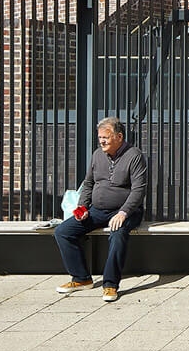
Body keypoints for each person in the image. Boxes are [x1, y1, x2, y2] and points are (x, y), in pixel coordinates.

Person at [54, 117, 148, 302]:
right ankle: (81, 278)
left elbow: (139, 189)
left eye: (106, 137)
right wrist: (82, 206)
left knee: (118, 233)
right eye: (100, 138)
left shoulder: (134, 156)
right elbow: (88, 183)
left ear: (119, 137)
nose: (102, 141)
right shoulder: (98, 155)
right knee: (63, 231)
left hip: (126, 211)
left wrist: (123, 212)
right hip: (97, 210)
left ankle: (111, 284)